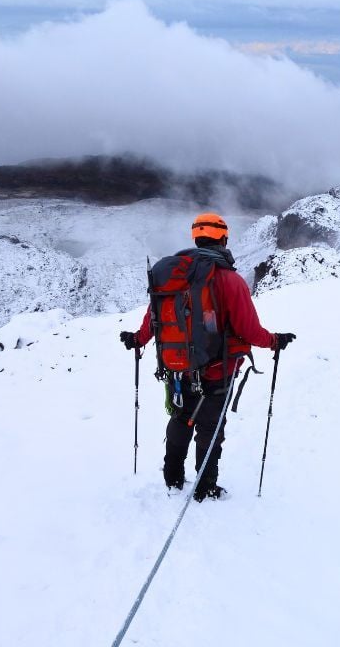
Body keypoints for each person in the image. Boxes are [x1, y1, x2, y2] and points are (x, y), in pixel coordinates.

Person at [120, 213, 295, 502]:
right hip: (217, 371)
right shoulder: (230, 280)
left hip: (178, 368)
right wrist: (274, 341)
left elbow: (155, 317)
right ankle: (205, 487)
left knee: (180, 419)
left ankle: (172, 477)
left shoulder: (173, 277)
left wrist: (137, 339)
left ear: (196, 238)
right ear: (223, 239)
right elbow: (249, 330)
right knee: (210, 429)